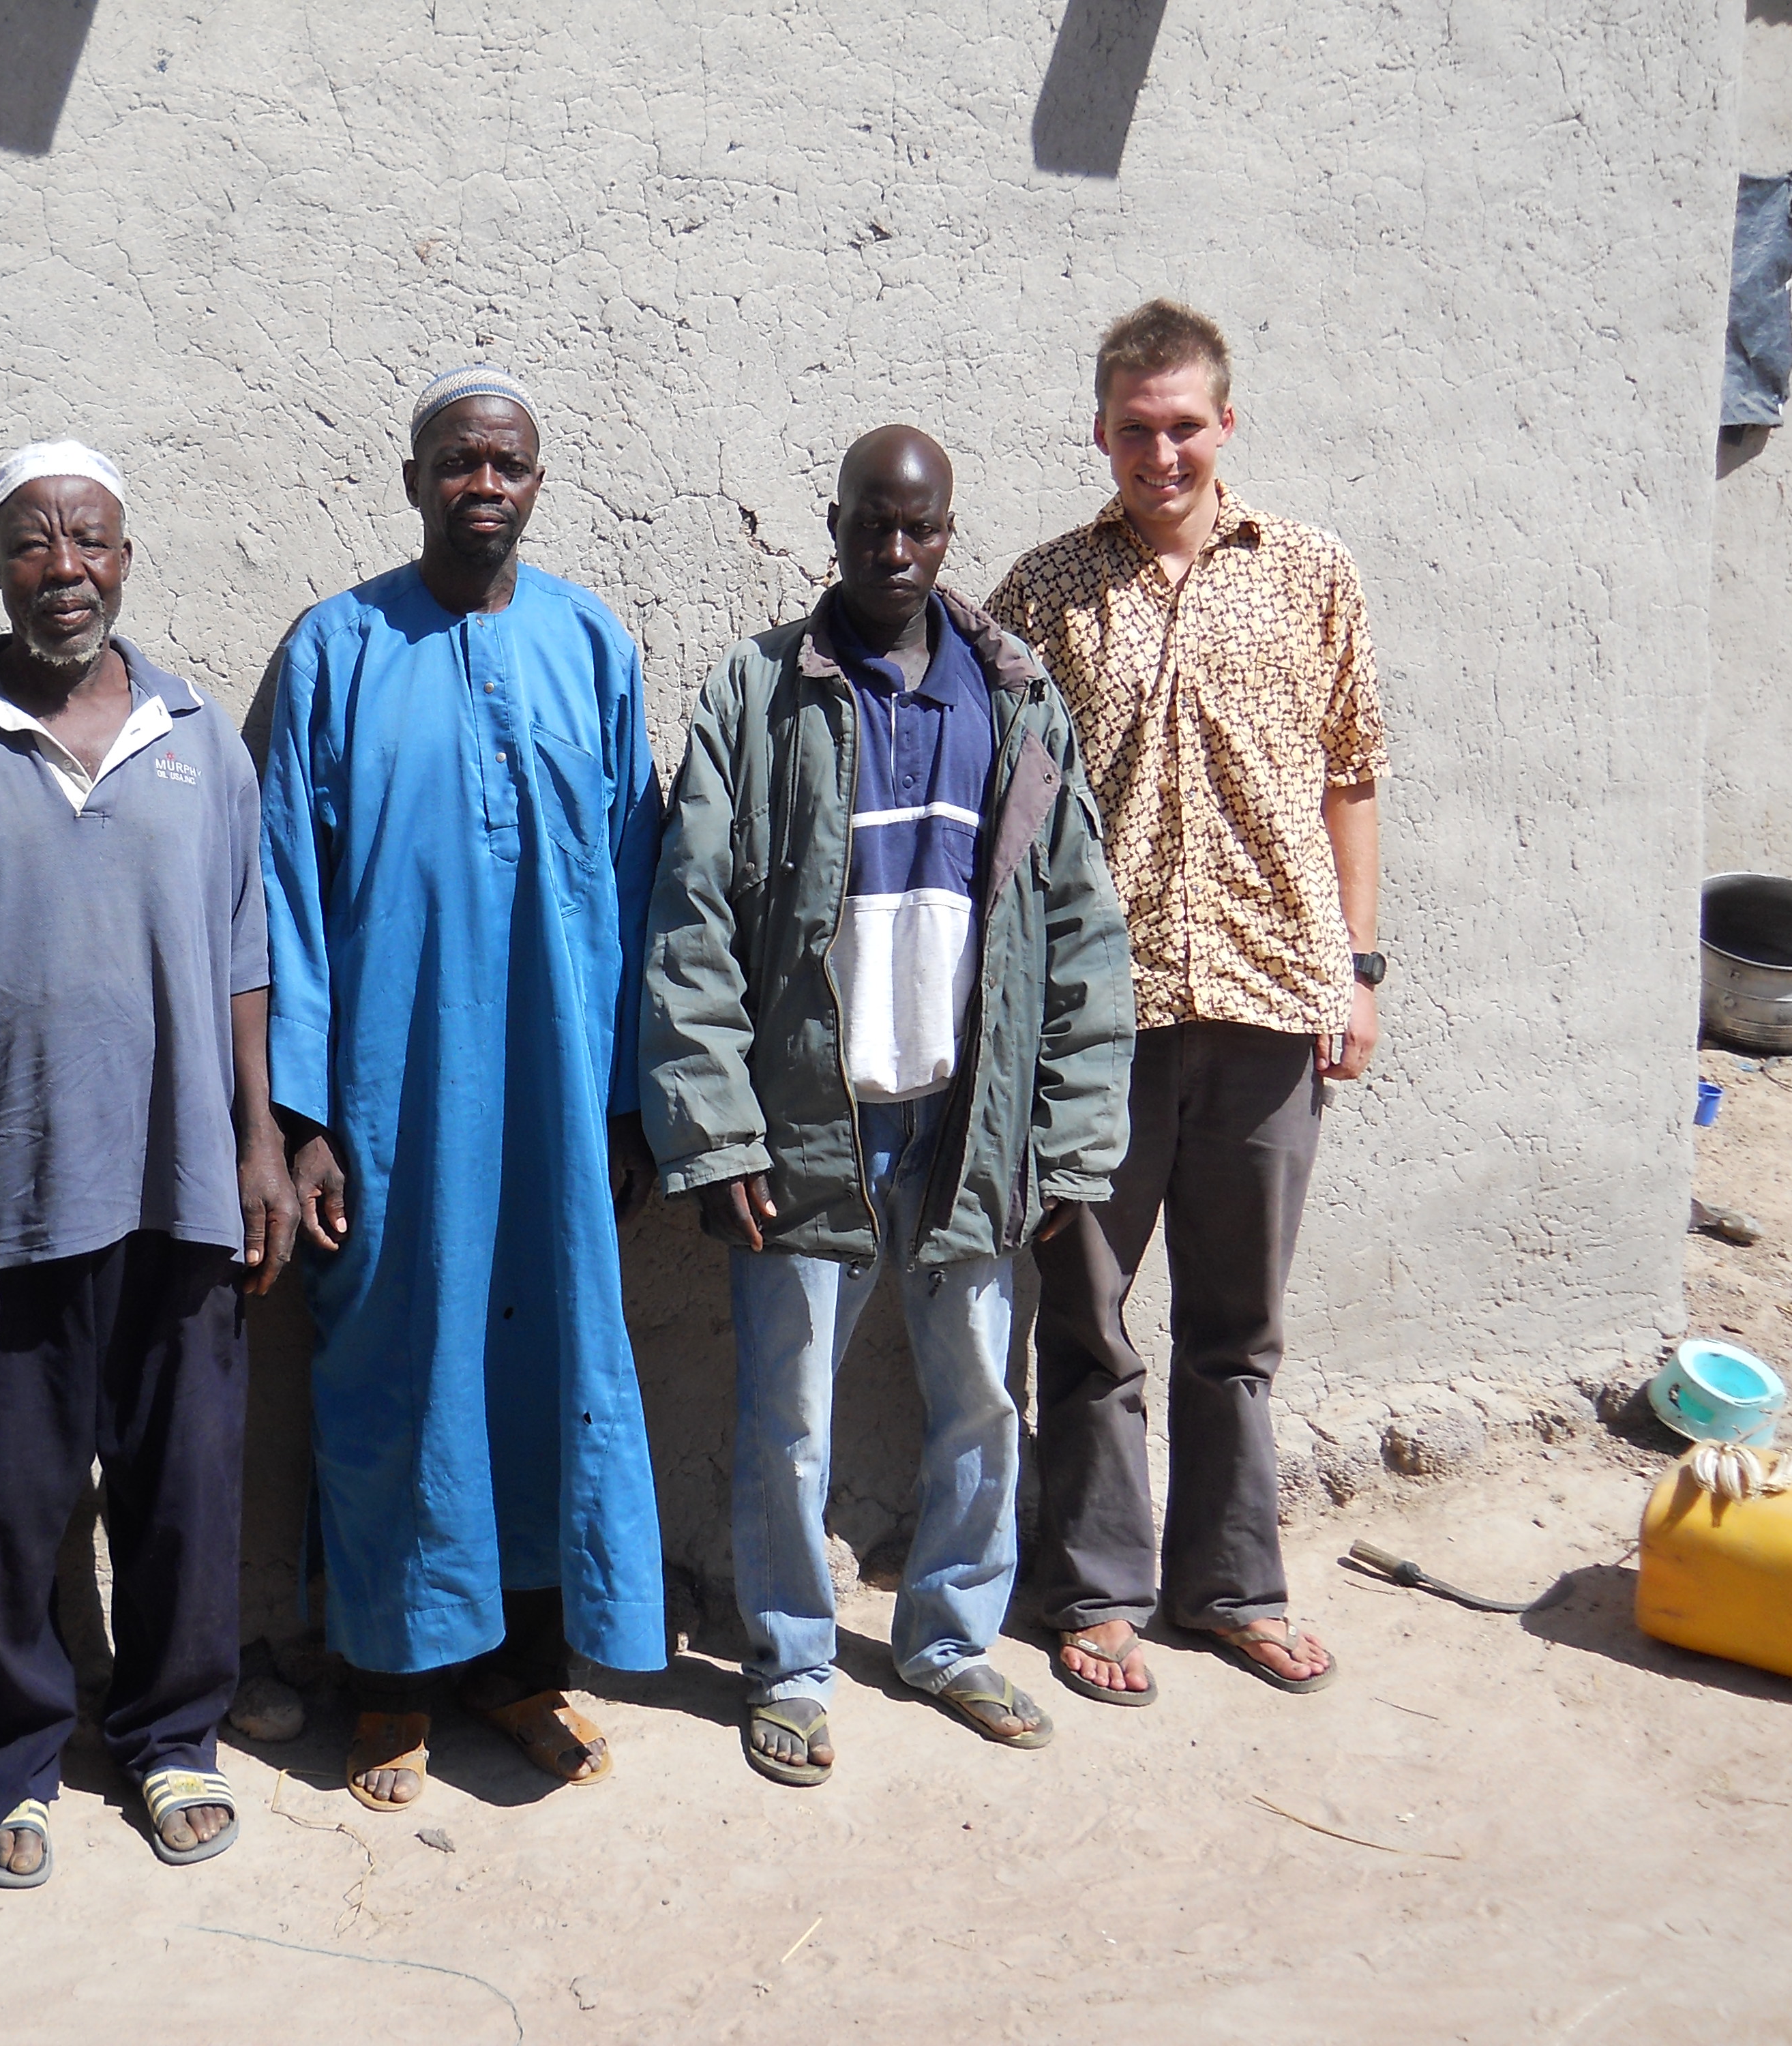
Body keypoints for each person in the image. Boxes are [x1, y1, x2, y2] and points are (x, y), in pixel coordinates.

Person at [641, 427, 1133, 1785]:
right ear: (836, 524)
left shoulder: (1015, 697)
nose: (893, 553)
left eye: (918, 530)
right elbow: (689, 928)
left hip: (964, 1119)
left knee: (977, 1387)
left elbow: (1081, 929)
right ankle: (792, 1662)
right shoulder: (758, 693)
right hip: (812, 1122)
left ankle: (949, 1639)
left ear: (945, 532)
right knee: (787, 1409)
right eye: (871, 525)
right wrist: (717, 1129)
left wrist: (1067, 1139)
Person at [0, 441, 293, 1890]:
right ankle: (11, 1754)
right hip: (6, 1197)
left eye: (91, 543)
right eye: (35, 546)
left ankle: (174, 1736)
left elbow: (243, 956)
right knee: (5, 1498)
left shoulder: (195, 731)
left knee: (184, 1482)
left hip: (180, 1183)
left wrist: (257, 1144)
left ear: (124, 560)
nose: (67, 572)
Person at [263, 366, 667, 1812]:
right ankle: (386, 1681)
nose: (479, 485)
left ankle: (521, 1664)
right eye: (454, 463)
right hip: (395, 1092)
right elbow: (286, 899)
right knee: (397, 1355)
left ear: (535, 483)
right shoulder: (335, 650)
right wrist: (302, 1120)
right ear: (415, 477)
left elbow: (635, 875)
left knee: (553, 1355)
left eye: (503, 464)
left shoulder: (590, 645)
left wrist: (629, 1096)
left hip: (558, 1091)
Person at [988, 299, 1388, 1705]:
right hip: (1099, 1022)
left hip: (1274, 997)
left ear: (1225, 425)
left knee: (1234, 1327)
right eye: (1132, 428)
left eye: (1182, 426)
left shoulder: (1311, 574)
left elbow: (1349, 774)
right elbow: (1008, 812)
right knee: (1086, 1320)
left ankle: (1232, 1587)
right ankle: (1092, 1592)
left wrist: (1354, 966)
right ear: (1097, 432)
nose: (1159, 452)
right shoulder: (1041, 592)